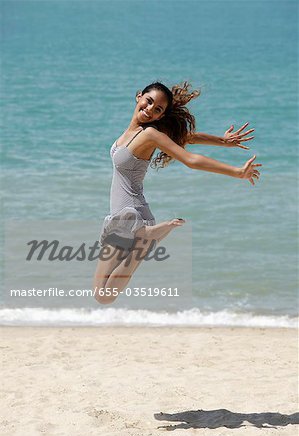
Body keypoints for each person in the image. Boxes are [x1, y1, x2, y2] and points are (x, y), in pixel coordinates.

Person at [93, 81, 261, 304]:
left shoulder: (149, 134)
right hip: (130, 215)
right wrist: (223, 141)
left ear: (160, 116)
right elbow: (188, 137)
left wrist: (237, 172)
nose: (150, 109)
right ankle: (145, 238)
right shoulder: (138, 133)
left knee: (103, 296)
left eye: (158, 109)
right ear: (138, 96)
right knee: (102, 293)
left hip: (128, 215)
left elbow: (190, 159)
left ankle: (144, 238)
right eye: (149, 101)